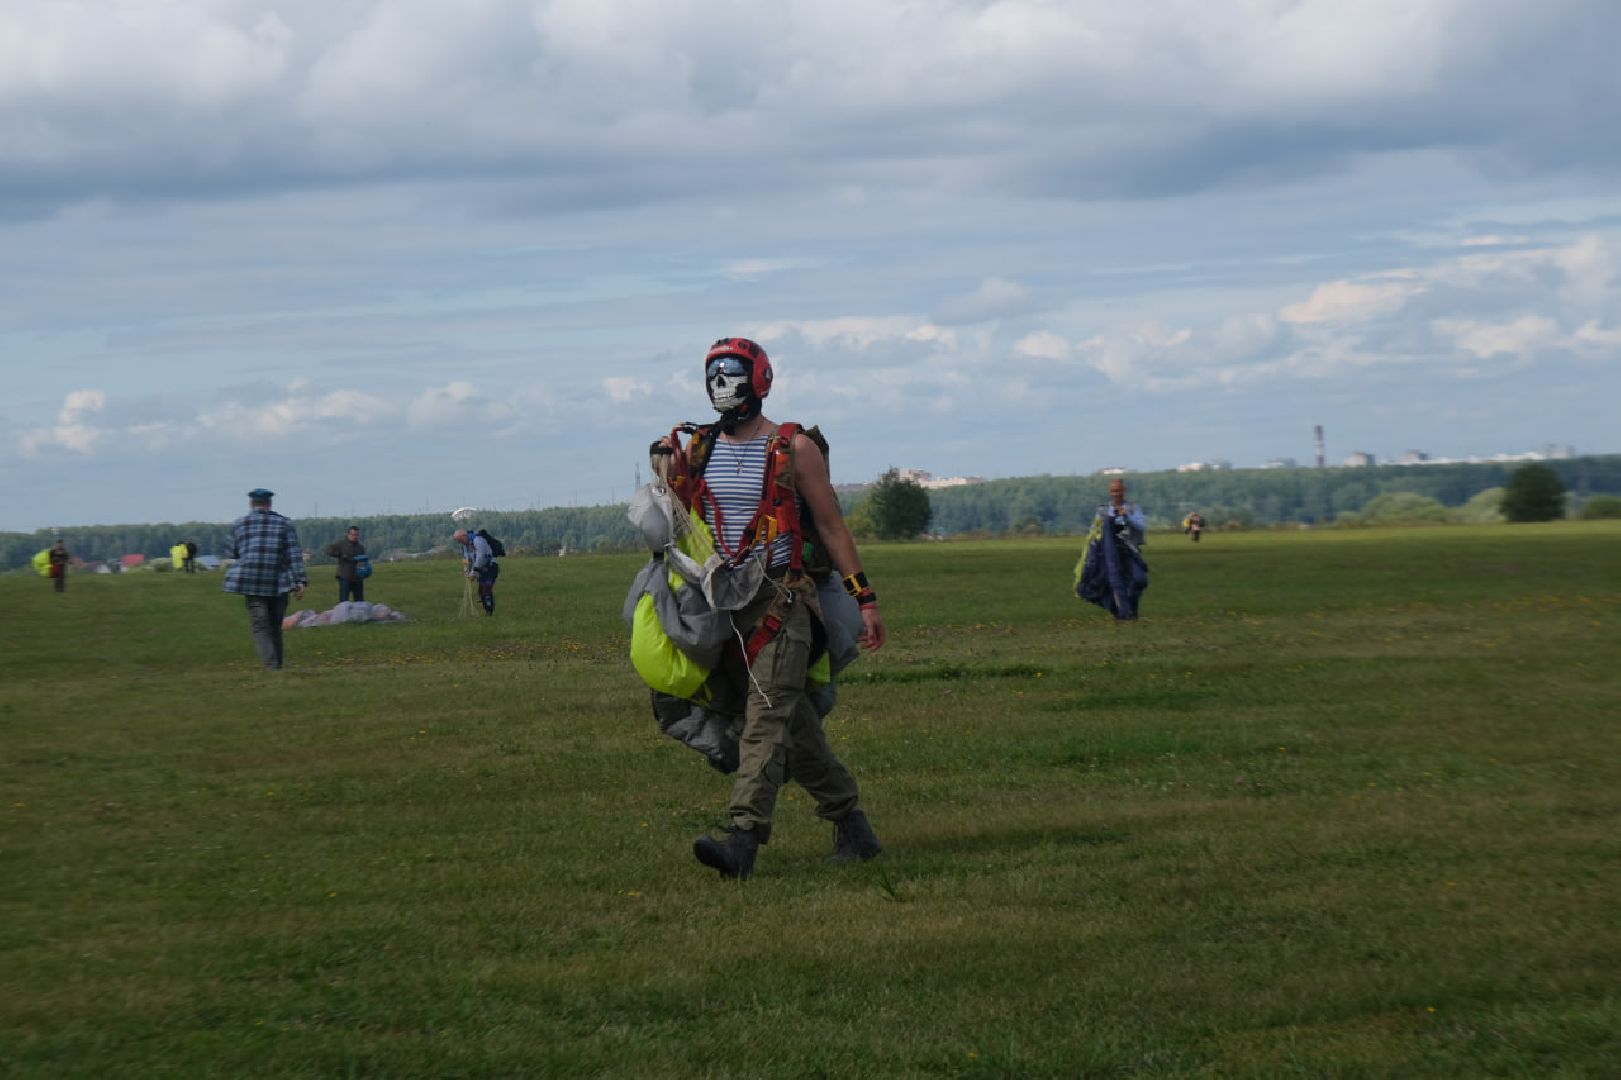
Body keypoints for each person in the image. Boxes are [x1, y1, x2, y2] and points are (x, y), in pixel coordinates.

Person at [656, 336, 887, 880]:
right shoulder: (698, 449)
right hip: (721, 607)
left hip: (783, 602)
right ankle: (853, 824)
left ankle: (743, 837)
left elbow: (830, 526)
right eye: (714, 374)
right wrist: (667, 474)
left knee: (764, 716)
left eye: (732, 372)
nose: (722, 384)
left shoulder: (794, 448)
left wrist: (865, 598)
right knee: (794, 725)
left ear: (759, 379)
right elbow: (680, 520)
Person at [221, 488, 307, 670]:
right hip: (279, 582)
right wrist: (300, 580)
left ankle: (271, 666)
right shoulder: (283, 524)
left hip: (251, 582)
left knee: (261, 626)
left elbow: (231, 552)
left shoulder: (239, 524)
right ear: (270, 503)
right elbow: (293, 554)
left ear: (252, 503)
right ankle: (276, 665)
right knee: (275, 625)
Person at [1075, 477, 1148, 620]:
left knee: (1139, 580)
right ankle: (1121, 612)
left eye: (1119, 491)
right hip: (1107, 555)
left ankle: (1131, 610)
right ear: (1110, 492)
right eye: (1113, 491)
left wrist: (1127, 517)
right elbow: (1094, 532)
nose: (1116, 494)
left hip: (1129, 552)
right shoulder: (1102, 511)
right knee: (1107, 585)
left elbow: (1141, 527)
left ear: (1124, 491)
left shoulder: (1133, 508)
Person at [454, 528, 498, 615]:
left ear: (464, 536)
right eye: (458, 541)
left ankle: (489, 612)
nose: (459, 543)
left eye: (460, 540)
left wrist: (473, 573)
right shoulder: (464, 545)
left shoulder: (478, 540)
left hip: (490, 567)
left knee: (487, 589)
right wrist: (466, 570)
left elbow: (480, 557)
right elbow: (466, 559)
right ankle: (487, 609)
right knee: (481, 591)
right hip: (479, 570)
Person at [324, 525, 367, 603]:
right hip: (344, 577)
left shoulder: (361, 547)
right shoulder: (340, 544)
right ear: (348, 534)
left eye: (357, 535)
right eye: (353, 535)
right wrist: (340, 555)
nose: (355, 537)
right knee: (344, 602)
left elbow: (364, 561)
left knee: (360, 602)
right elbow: (329, 550)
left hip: (358, 578)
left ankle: (358, 615)